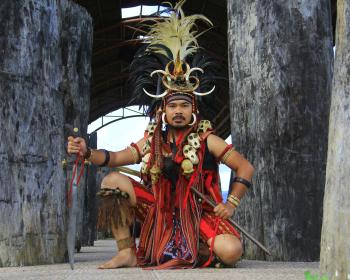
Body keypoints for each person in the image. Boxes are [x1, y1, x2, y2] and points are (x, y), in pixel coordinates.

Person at [67, 0, 254, 269]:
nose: (178, 111)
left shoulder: (207, 139)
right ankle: (126, 251)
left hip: (198, 211)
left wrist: (231, 203)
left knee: (232, 250)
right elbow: (116, 157)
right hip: (159, 209)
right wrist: (86, 152)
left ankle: (193, 248)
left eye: (184, 106)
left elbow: (244, 167)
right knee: (112, 181)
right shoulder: (153, 138)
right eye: (173, 106)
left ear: (193, 109)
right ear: (163, 110)